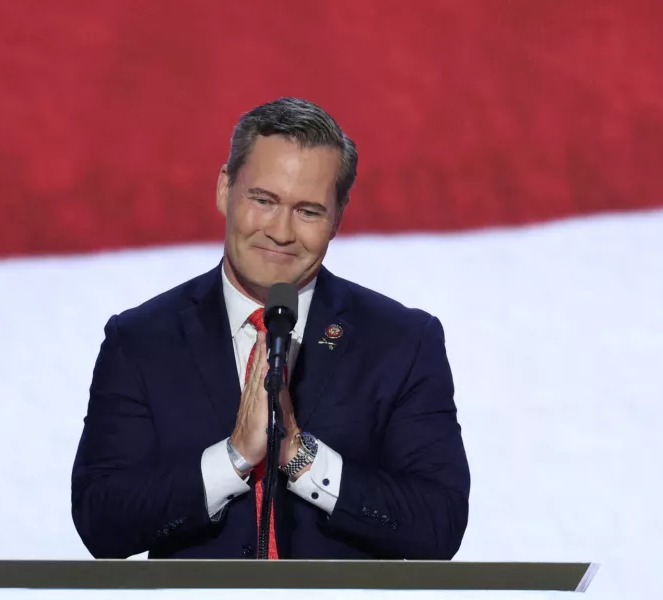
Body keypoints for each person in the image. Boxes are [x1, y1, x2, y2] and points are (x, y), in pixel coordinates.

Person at [71, 97, 470, 560]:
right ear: (225, 189)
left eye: (308, 211)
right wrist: (235, 457)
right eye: (263, 200)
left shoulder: (401, 342)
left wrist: (299, 459)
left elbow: (439, 525)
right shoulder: (140, 341)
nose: (281, 231)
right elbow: (101, 521)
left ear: (338, 216)